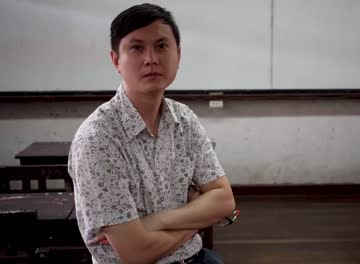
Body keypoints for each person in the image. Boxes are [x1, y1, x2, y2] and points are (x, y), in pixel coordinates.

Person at [68, 3, 235, 264]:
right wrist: (196, 218)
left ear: (178, 55)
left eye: (161, 46)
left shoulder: (185, 120)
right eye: (136, 47)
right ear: (116, 60)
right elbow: (135, 253)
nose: (151, 58)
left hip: (196, 258)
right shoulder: (97, 139)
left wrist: (156, 220)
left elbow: (225, 202)